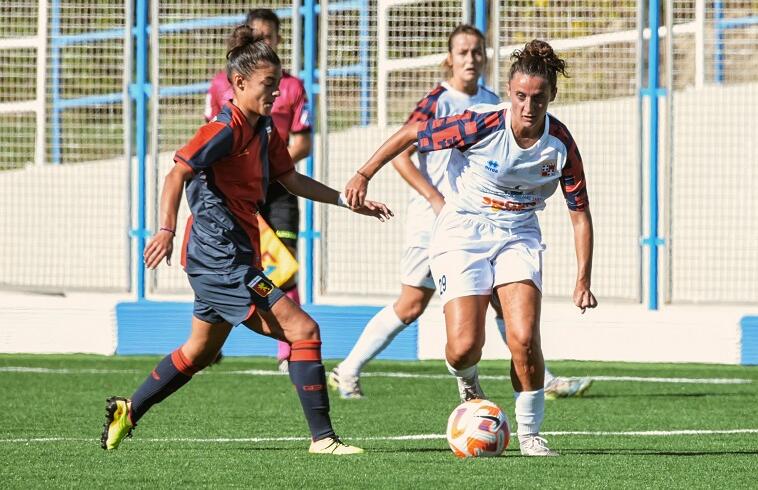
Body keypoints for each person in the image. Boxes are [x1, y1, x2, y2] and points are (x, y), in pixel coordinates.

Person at [101, 26, 392, 455]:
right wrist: (165, 228)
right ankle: (324, 440)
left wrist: (348, 202)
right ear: (239, 84)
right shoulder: (224, 127)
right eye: (268, 85)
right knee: (303, 329)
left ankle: (130, 408)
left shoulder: (265, 129)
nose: (276, 94)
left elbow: (289, 178)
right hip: (221, 260)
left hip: (228, 256)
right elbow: (176, 172)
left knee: (199, 352)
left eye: (277, 85)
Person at [344, 40, 597, 456]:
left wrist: (583, 279)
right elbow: (411, 133)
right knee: (463, 347)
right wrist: (362, 174)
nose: (527, 107)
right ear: (510, 93)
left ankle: (531, 434)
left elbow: (579, 213)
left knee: (524, 338)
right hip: (463, 230)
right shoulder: (481, 123)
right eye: (519, 96)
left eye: (537, 98)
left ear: (551, 95)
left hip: (518, 233)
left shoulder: (561, 145)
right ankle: (468, 383)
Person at [328, 25, 499, 400]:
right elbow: (402, 154)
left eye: (477, 51)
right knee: (410, 305)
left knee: (502, 292)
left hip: (474, 220)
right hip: (433, 221)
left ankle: (542, 378)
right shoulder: (438, 101)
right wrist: (437, 200)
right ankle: (348, 368)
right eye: (463, 52)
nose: (471, 58)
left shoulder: (493, 100)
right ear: (448, 59)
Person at [206, 9, 310, 371]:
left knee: (284, 264)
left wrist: (268, 169)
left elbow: (303, 141)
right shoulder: (222, 84)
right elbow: (207, 147)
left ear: (280, 39)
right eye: (257, 35)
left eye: (270, 35)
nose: (264, 41)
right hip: (237, 194)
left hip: (277, 188)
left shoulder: (292, 86)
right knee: (229, 264)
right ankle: (210, 341)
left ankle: (288, 351)